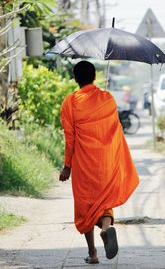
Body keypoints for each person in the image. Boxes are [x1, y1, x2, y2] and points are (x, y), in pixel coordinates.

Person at [59, 60, 139, 264]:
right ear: (94, 77)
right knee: (104, 202)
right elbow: (115, 130)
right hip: (105, 161)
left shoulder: (70, 102)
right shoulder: (108, 98)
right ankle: (105, 228)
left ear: (75, 79)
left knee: (86, 204)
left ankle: (93, 253)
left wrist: (67, 166)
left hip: (83, 162)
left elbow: (70, 138)